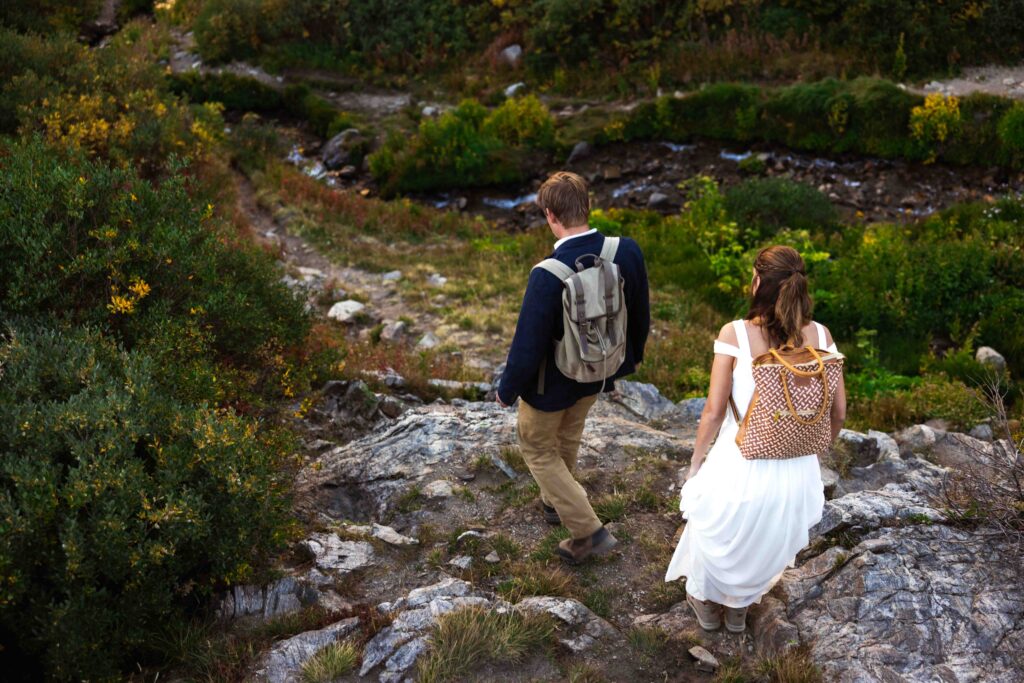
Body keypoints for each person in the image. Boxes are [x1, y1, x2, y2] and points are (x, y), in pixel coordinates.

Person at [664, 245, 845, 633]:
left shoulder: (736, 334)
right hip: (797, 471)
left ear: (758, 281)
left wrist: (696, 463)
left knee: (713, 519)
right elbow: (839, 411)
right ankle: (739, 608)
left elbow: (713, 411)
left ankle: (707, 605)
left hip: (743, 458)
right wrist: (811, 448)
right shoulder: (822, 335)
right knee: (766, 535)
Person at [496, 171, 650, 565]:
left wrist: (507, 389)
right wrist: (622, 366)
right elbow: (640, 315)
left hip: (551, 385)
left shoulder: (548, 273)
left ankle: (587, 531)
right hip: (597, 375)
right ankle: (554, 504)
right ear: (587, 205)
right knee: (568, 437)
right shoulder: (625, 251)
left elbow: (528, 344)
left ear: (551, 215)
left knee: (537, 448)